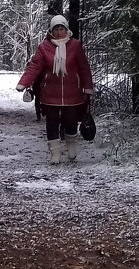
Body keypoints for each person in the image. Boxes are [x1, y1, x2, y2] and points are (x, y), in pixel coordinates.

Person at [16, 15, 94, 164]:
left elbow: (84, 68)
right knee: (51, 123)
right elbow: (35, 66)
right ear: (51, 30)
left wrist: (87, 87)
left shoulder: (76, 46)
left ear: (66, 29)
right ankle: (55, 153)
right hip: (50, 92)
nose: (59, 32)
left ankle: (71, 145)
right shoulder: (44, 46)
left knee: (71, 121)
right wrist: (23, 83)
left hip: (73, 92)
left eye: (61, 28)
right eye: (56, 29)